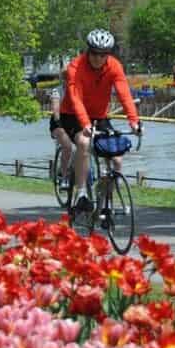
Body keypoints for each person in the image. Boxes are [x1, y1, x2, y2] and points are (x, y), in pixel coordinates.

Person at [59, 29, 142, 213]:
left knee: (117, 160)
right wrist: (85, 124)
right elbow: (75, 98)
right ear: (88, 51)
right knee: (83, 142)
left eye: (103, 54)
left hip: (99, 115)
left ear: (108, 55)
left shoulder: (114, 66)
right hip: (72, 114)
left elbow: (124, 94)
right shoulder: (76, 66)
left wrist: (134, 122)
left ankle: (104, 202)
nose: (98, 58)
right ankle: (81, 194)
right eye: (94, 53)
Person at [49, 68, 73, 190]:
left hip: (74, 121)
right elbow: (56, 108)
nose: (69, 81)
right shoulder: (57, 91)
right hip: (59, 123)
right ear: (62, 80)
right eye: (67, 79)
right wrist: (59, 120)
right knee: (67, 147)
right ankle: (63, 177)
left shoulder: (77, 90)